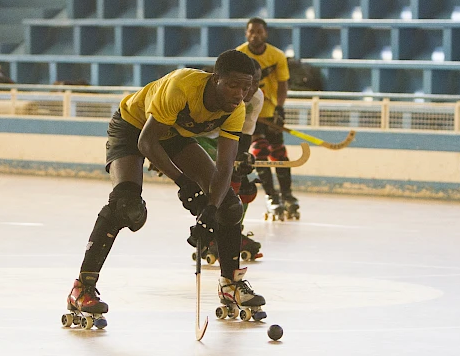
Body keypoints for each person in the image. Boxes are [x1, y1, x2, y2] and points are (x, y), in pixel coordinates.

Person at [64, 50, 267, 329]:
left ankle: (231, 283)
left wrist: (209, 211)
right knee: (127, 207)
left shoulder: (237, 108)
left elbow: (224, 169)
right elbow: (147, 142)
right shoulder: (182, 86)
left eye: (246, 88)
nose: (239, 95)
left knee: (228, 206)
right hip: (133, 127)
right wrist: (184, 183)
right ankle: (82, 288)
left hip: (174, 134)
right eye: (233, 85)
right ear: (215, 78)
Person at [193, 59, 265, 264]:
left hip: (228, 141)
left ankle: (232, 230)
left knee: (247, 189)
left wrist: (242, 157)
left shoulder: (257, 98)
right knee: (214, 186)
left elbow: (246, 132)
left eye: (254, 83)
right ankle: (213, 231)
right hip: (201, 138)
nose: (248, 90)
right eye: (242, 84)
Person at [236, 18, 299, 221]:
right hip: (248, 113)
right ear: (246, 34)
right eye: (252, 31)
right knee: (259, 152)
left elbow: (282, 84)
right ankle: (272, 197)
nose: (256, 35)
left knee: (279, 153)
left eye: (259, 31)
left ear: (266, 33)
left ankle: (287, 195)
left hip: (270, 111)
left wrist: (280, 108)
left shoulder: (277, 55)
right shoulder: (239, 55)